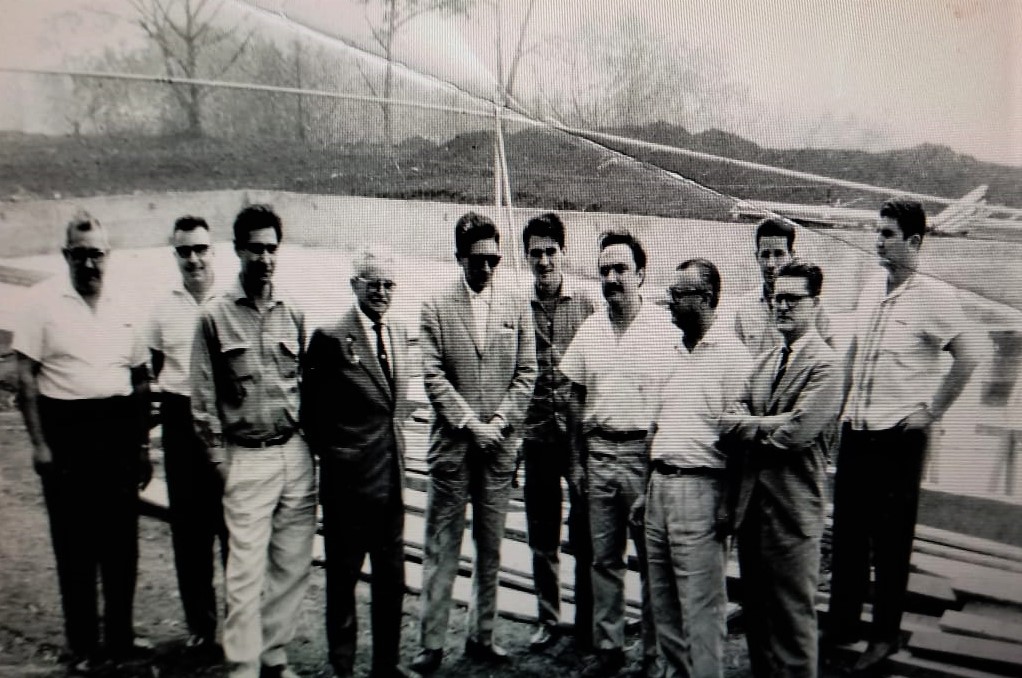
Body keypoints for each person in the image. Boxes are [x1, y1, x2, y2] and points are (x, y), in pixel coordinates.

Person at [826, 199, 980, 674]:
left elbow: (970, 354)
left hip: (898, 437)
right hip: (858, 429)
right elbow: (854, 351)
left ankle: (884, 635)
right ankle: (842, 626)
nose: (878, 241)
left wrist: (931, 411)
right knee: (848, 536)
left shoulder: (934, 295)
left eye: (888, 234)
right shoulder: (873, 287)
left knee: (890, 544)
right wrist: (839, 411)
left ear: (913, 242)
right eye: (877, 232)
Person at [14, 213, 153, 675]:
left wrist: (141, 447)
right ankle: (83, 646)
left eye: (96, 254)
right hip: (67, 431)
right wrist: (40, 445)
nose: (89, 263)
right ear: (65, 255)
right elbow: (26, 379)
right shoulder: (41, 303)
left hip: (116, 430)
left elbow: (139, 380)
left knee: (121, 543)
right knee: (74, 544)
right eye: (80, 254)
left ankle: (120, 638)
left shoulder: (126, 302)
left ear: (107, 256)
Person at [191, 204, 316, 678]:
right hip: (245, 456)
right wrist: (225, 468)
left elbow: (306, 383)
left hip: (294, 451)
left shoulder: (294, 312)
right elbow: (202, 404)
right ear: (239, 250)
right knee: (244, 571)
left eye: (272, 248)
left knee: (292, 562)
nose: (265, 257)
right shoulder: (214, 316)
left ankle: (273, 655)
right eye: (256, 248)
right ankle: (242, 666)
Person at [410, 212, 537, 673]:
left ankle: (482, 636)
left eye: (494, 260)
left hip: (499, 449)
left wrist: (500, 421)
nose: (487, 268)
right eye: (478, 260)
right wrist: (469, 423)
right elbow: (432, 376)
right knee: (442, 545)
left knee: (492, 545)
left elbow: (527, 374)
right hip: (454, 449)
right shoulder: (434, 307)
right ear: (460, 256)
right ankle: (431, 643)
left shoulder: (515, 307)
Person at [559, 229, 674, 678]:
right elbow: (572, 395)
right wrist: (575, 462)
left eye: (621, 268)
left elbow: (674, 396)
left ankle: (653, 654)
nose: (612, 277)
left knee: (651, 561)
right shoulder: (590, 328)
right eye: (605, 269)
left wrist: (656, 462)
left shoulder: (663, 329)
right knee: (603, 558)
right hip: (600, 454)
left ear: (641, 275)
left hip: (644, 457)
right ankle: (609, 648)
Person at [721, 260, 842, 678]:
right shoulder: (768, 358)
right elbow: (726, 419)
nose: (783, 307)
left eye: (793, 299)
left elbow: (797, 433)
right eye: (777, 298)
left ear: (815, 303)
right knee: (757, 618)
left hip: (792, 514)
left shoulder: (826, 365)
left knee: (792, 623)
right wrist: (765, 424)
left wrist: (750, 425)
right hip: (752, 508)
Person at [301, 249, 415, 678]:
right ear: (355, 285)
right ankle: (343, 667)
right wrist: (341, 458)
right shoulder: (330, 338)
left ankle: (386, 665)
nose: (382, 292)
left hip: (391, 482)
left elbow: (393, 408)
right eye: (373, 284)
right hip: (349, 487)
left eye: (389, 284)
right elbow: (311, 414)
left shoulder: (399, 333)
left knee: (392, 580)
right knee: (343, 581)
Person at [645, 258, 751, 678]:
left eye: (677, 294)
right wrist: (645, 492)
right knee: (663, 602)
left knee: (702, 608)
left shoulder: (734, 357)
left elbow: (742, 443)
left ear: (705, 298)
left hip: (702, 491)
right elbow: (655, 429)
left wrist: (728, 505)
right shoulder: (669, 352)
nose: (669, 302)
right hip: (659, 488)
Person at [147, 216, 227, 655]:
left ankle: (242, 629)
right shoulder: (162, 308)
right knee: (190, 534)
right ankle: (201, 628)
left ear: (213, 250)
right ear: (174, 254)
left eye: (200, 249)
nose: (193, 259)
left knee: (236, 528)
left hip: (226, 424)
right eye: (184, 251)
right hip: (180, 423)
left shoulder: (231, 301)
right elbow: (156, 365)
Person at [519, 213, 596, 652]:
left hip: (578, 439)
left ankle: (585, 625)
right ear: (526, 256)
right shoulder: (515, 305)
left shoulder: (586, 302)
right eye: (536, 253)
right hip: (535, 436)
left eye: (551, 252)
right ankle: (548, 618)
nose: (544, 261)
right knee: (541, 532)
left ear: (563, 253)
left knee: (583, 532)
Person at [734, 218, 832, 356]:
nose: (770, 264)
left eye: (779, 254)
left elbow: (830, 354)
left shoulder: (810, 304)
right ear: (757, 257)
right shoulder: (744, 307)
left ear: (791, 255)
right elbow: (738, 359)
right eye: (765, 255)